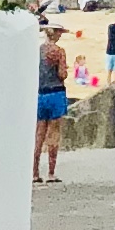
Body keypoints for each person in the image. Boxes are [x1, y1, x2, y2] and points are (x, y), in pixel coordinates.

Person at [33, 24, 70, 186]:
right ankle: (51, 172)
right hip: (56, 93)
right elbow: (62, 74)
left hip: (41, 93)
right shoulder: (59, 52)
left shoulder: (37, 51)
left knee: (39, 134)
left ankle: (34, 172)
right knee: (53, 134)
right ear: (55, 34)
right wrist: (65, 71)